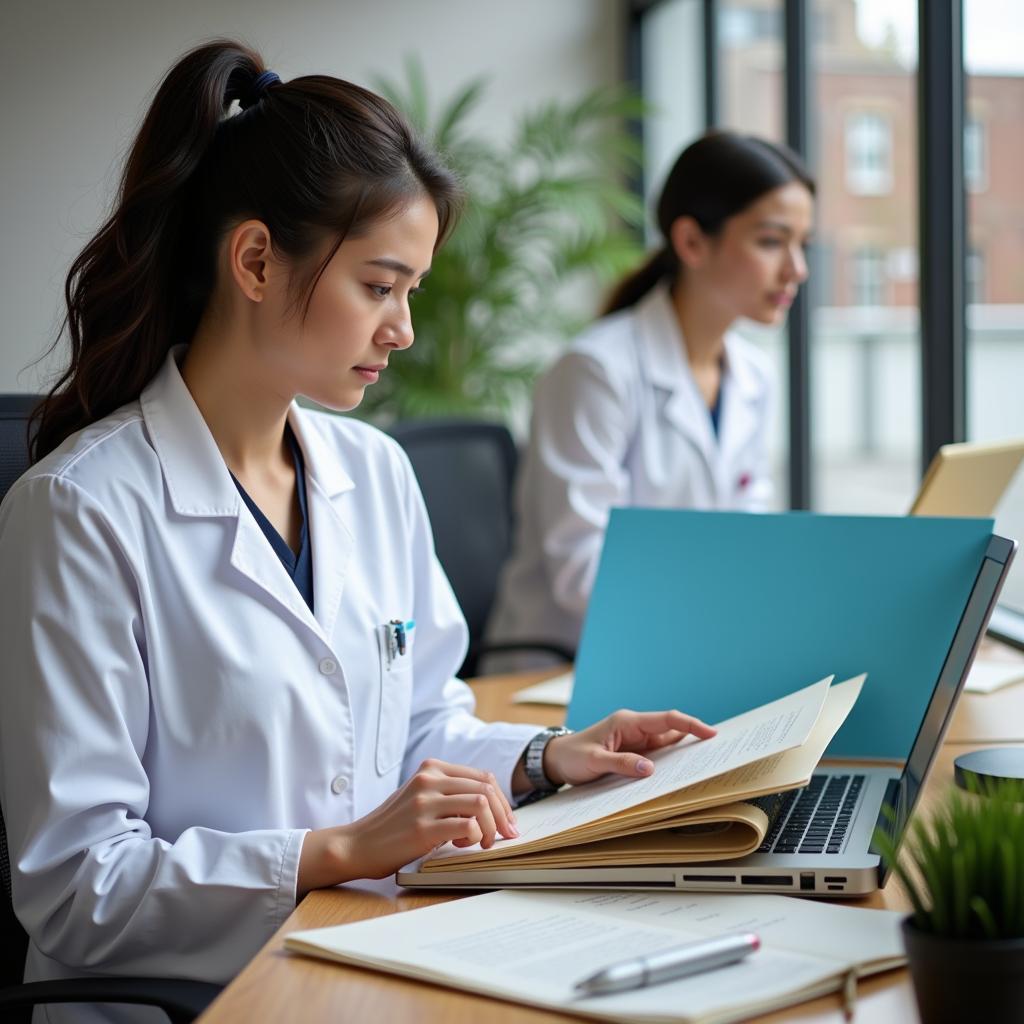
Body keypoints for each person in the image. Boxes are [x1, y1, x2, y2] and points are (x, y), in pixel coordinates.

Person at [0, 41, 717, 1022]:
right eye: (379, 286)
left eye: (411, 291)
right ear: (255, 260)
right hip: (192, 1001)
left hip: (367, 957)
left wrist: (548, 756)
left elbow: (417, 727)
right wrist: (335, 849)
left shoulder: (373, 474)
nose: (404, 329)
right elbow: (78, 886)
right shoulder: (81, 510)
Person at [485, 131, 815, 668]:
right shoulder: (595, 371)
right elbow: (582, 573)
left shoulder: (755, 375)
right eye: (773, 242)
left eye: (804, 244)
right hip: (565, 664)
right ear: (691, 243)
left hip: (683, 655)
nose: (796, 269)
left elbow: (748, 545)